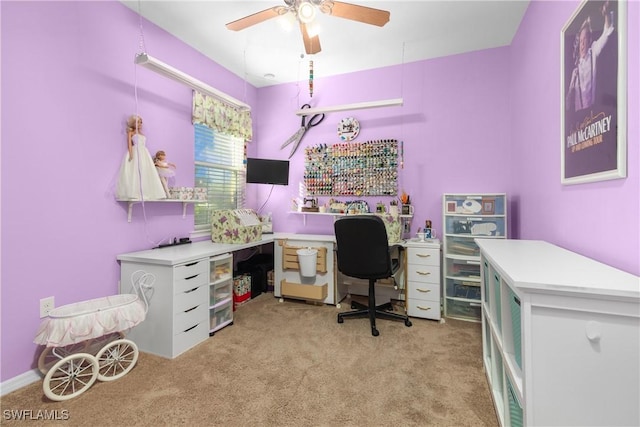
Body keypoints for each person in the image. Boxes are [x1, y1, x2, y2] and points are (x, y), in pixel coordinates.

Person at [565, 1, 614, 112]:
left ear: (589, 40)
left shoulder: (593, 52)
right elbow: (567, 106)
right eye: (580, 41)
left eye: (585, 40)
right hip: (579, 121)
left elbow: (606, 33)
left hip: (593, 113)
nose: (582, 44)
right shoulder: (575, 70)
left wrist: (606, 14)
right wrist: (571, 89)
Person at [115, 115, 167, 200]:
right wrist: (131, 154)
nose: (140, 124)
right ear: (133, 123)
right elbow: (129, 145)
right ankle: (135, 192)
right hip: (136, 152)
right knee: (135, 171)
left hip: (144, 152)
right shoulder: (131, 133)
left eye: (141, 122)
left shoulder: (142, 133)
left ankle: (147, 192)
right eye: (138, 122)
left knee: (145, 171)